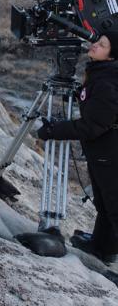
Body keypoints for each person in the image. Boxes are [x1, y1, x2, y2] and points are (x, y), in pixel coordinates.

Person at [37, 32, 118, 264]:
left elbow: (92, 126)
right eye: (97, 41)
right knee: (104, 203)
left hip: (110, 152)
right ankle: (103, 248)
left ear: (112, 55)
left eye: (102, 45)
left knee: (115, 207)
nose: (94, 46)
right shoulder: (102, 74)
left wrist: (54, 130)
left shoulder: (107, 81)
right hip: (104, 152)